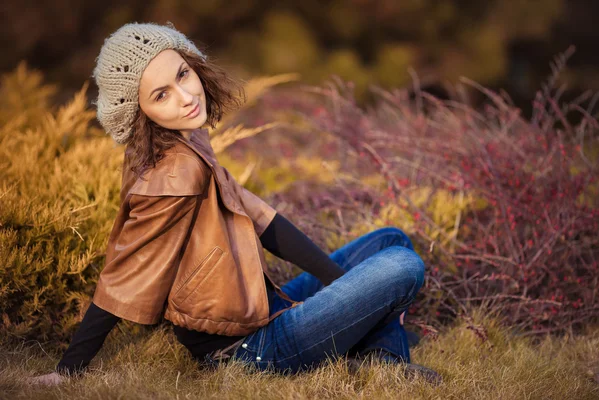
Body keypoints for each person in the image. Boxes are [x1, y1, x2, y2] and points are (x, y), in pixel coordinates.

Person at [28, 21, 441, 387]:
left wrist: (354, 294)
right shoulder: (174, 175)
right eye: (161, 94)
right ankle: (381, 348)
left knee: (390, 240)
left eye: (183, 75)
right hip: (253, 349)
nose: (186, 95)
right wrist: (69, 369)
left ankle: (379, 354)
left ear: (193, 64)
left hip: (266, 308)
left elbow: (267, 223)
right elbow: (124, 275)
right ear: (143, 114)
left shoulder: (189, 146)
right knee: (402, 266)